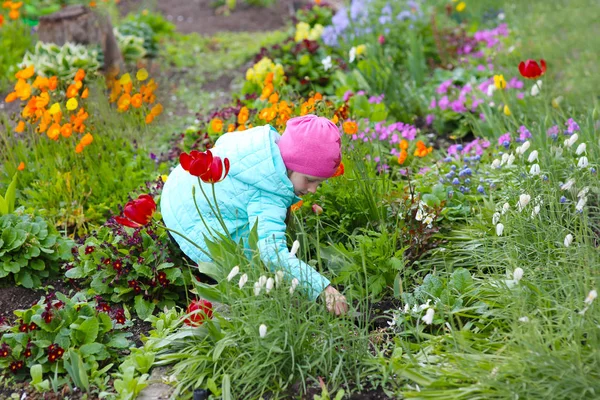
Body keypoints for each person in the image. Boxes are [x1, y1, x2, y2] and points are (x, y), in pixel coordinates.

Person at [160, 114, 348, 315]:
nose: (313, 190)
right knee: (244, 279)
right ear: (293, 163)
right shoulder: (268, 192)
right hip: (191, 219)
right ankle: (212, 307)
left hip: (180, 186)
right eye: (310, 180)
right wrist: (322, 288)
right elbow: (272, 253)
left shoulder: (262, 147)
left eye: (319, 183)